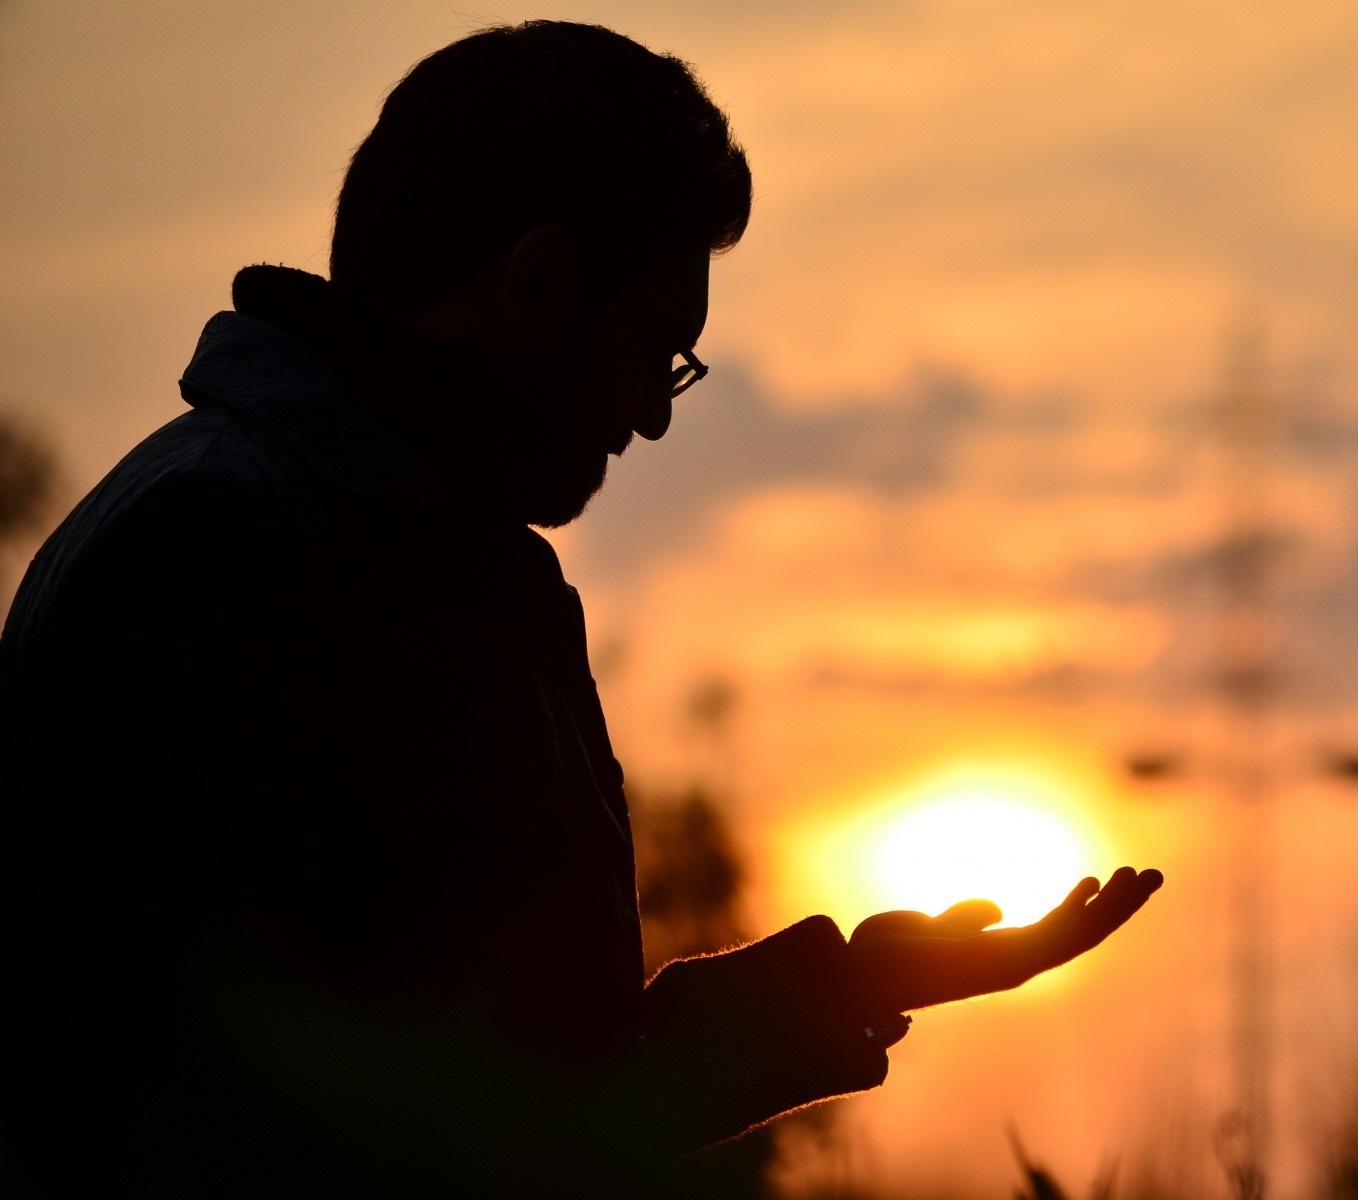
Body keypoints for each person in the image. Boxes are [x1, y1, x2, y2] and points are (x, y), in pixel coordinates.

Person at [0, 20, 1162, 1197]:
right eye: (659, 349)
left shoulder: (400, 556)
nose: (655, 417)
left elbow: (522, 1087)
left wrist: (854, 989)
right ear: (542, 281)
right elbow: (306, 1126)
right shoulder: (224, 562)